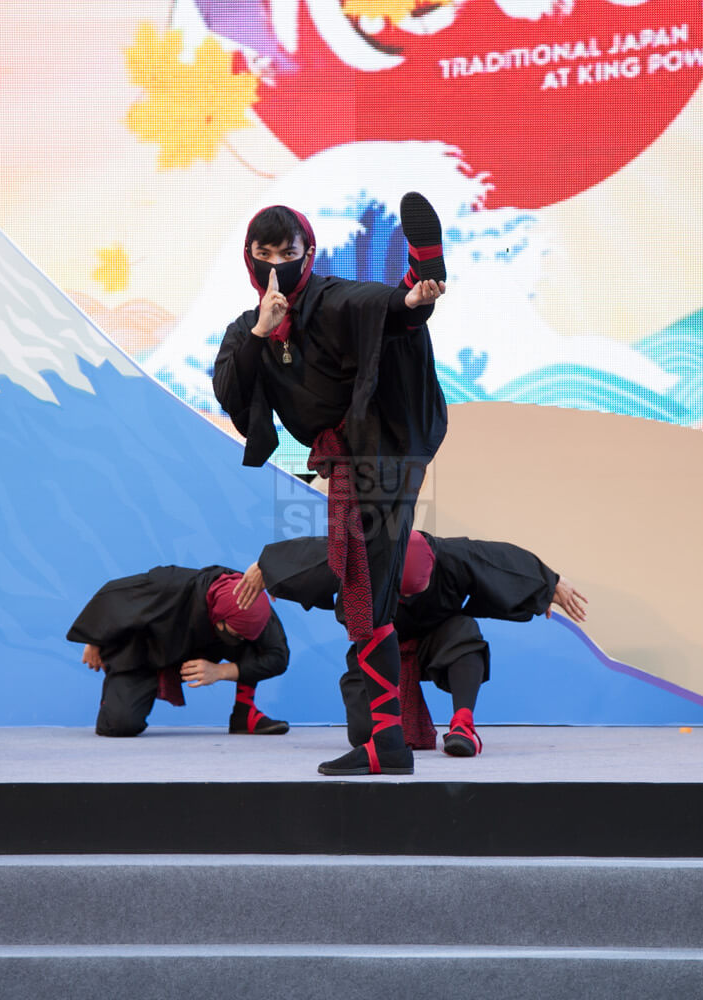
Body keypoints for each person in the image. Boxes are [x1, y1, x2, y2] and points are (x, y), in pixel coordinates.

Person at [212, 195, 448, 776]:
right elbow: (231, 393)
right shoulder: (247, 329)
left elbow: (371, 305)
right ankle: (386, 743)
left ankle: (387, 745)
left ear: (308, 252)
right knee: (367, 593)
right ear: (249, 257)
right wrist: (262, 332)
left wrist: (411, 295)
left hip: (384, 445)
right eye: (265, 253)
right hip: (350, 464)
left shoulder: (329, 298)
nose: (277, 265)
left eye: (287, 253)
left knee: (367, 590)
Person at [238, 531, 589, 757]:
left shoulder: (457, 557)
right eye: (401, 594)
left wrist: (549, 585)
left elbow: (503, 563)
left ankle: (463, 723)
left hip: (433, 641)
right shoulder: (364, 559)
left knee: (464, 630)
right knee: (363, 736)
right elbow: (313, 555)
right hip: (378, 647)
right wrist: (267, 568)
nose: (406, 599)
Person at [66, 565, 289, 737]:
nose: (241, 637)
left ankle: (244, 714)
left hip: (199, 654)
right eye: (236, 633)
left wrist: (222, 671)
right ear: (219, 614)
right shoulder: (169, 584)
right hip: (145, 653)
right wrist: (94, 639)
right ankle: (116, 697)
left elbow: (278, 658)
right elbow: (114, 594)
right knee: (119, 725)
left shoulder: (254, 606)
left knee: (254, 643)